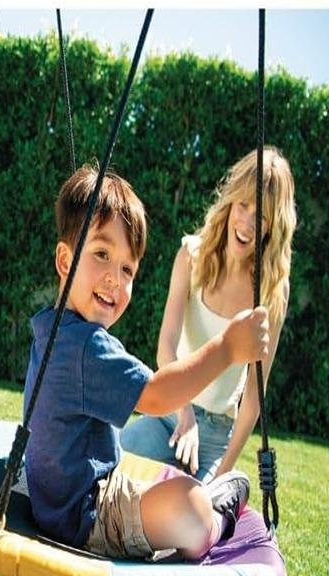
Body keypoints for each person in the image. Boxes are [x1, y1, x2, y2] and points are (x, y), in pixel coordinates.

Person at [24, 164, 270, 561]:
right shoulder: (86, 346)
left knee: (169, 494)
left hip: (65, 503)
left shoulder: (51, 327)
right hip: (88, 514)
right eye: (101, 254)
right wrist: (227, 348)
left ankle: (192, 506)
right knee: (190, 504)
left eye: (127, 269)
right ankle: (217, 516)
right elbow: (156, 397)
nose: (115, 279)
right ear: (65, 261)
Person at [120, 147, 296, 481]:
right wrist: (184, 413)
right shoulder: (191, 256)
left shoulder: (272, 289)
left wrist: (221, 476)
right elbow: (166, 346)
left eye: (260, 216)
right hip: (169, 416)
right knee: (106, 468)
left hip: (217, 438)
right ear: (230, 202)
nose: (246, 222)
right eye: (242, 205)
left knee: (201, 511)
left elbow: (254, 396)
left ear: (273, 226)